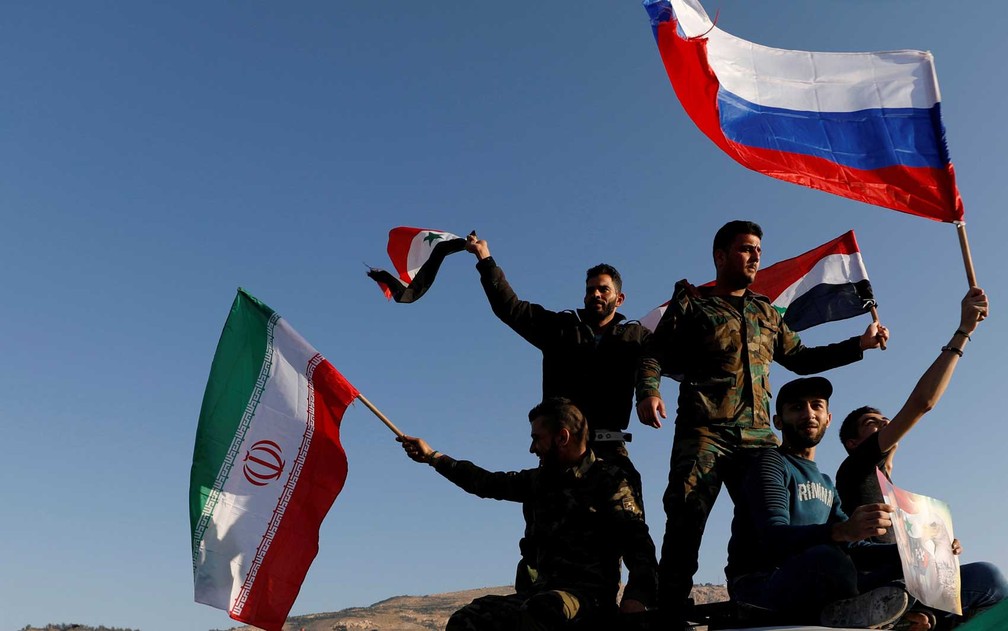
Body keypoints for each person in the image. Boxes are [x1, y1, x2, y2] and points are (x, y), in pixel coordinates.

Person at [634, 220, 889, 625]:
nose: (755, 256)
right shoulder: (694, 304)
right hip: (705, 433)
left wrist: (859, 343)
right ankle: (671, 609)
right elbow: (652, 353)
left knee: (776, 516)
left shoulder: (765, 312)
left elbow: (802, 358)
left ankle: (775, 588)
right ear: (720, 256)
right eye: (745, 249)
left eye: (758, 250)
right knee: (686, 517)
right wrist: (648, 392)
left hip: (757, 437)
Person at [727, 377, 1007, 628]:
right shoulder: (770, 464)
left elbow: (855, 546)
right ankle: (887, 616)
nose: (809, 414)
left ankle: (888, 614)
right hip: (765, 585)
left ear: (828, 417)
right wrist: (842, 532)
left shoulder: (824, 482)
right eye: (797, 408)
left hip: (834, 584)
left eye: (816, 406)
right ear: (778, 421)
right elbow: (772, 538)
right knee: (828, 558)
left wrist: (924, 550)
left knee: (988, 577)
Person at [466, 234, 650, 591]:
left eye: (603, 289)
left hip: (609, 451)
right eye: (590, 289)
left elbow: (657, 363)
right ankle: (534, 604)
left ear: (619, 297)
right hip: (560, 455)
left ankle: (625, 604)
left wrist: (650, 393)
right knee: (543, 536)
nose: (595, 295)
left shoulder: (635, 338)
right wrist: (485, 260)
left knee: (626, 530)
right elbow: (511, 308)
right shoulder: (561, 329)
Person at [397, 397, 659, 630]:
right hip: (539, 593)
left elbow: (639, 546)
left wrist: (636, 599)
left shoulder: (610, 481)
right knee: (468, 619)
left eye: (537, 438)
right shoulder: (539, 481)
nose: (532, 448)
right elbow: (487, 483)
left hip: (588, 599)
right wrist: (433, 457)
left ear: (562, 437)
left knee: (542, 611)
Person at [836, 287, 988, 530]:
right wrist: (963, 331)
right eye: (871, 423)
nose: (885, 422)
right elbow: (922, 403)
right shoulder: (855, 468)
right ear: (853, 444)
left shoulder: (890, 491)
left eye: (884, 418)